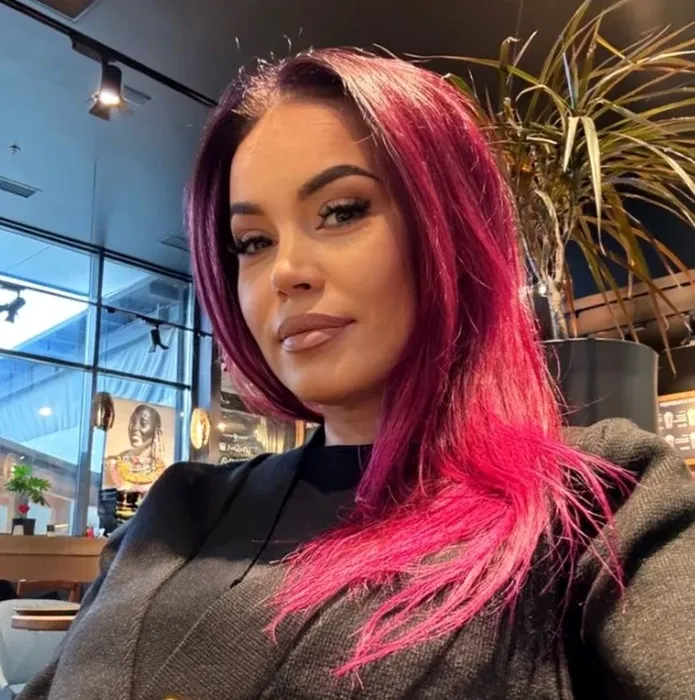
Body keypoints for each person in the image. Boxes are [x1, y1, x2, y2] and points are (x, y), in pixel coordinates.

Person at [20, 49, 695, 700]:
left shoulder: (601, 503)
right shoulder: (177, 511)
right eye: (253, 242)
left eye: (341, 211)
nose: (286, 271)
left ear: (449, 230)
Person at [104, 404, 166, 489]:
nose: (135, 428)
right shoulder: (113, 464)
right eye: (133, 422)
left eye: (143, 423)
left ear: (158, 432)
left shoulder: (163, 473)